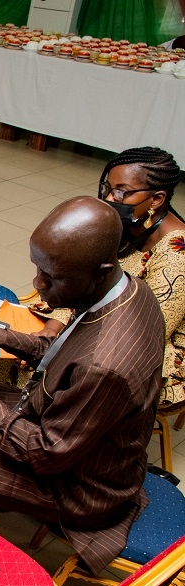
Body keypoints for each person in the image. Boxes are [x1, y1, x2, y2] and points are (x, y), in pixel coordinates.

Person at [0, 196, 165, 576]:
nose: (38, 285)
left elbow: (46, 454)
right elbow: (67, 350)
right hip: (71, 433)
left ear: (100, 269)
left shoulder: (104, 365)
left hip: (78, 488)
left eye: (52, 278)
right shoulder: (128, 289)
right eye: (38, 269)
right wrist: (4, 337)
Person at [101, 148, 185, 408]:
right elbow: (87, 276)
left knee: (52, 373)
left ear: (157, 199)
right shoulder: (127, 224)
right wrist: (55, 325)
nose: (109, 197)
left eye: (122, 192)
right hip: (109, 323)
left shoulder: (177, 253)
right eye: (107, 188)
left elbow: (148, 332)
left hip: (152, 349)